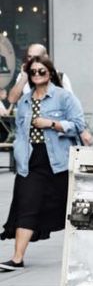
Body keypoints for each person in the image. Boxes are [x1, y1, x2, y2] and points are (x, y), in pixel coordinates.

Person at [0, 56, 86, 272]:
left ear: (50, 73)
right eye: (33, 72)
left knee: (72, 210)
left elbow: (79, 125)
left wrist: (52, 123)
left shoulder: (64, 97)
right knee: (26, 205)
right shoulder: (25, 100)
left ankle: (84, 254)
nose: (37, 75)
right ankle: (17, 258)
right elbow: (19, 127)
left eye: (41, 71)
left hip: (59, 161)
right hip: (31, 161)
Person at [7, 43, 93, 145]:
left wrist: (82, 130)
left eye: (36, 57)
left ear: (46, 57)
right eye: (29, 57)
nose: (31, 60)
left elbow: (72, 109)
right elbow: (12, 99)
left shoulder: (60, 77)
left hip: (56, 139)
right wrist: (24, 78)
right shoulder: (24, 76)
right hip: (30, 142)